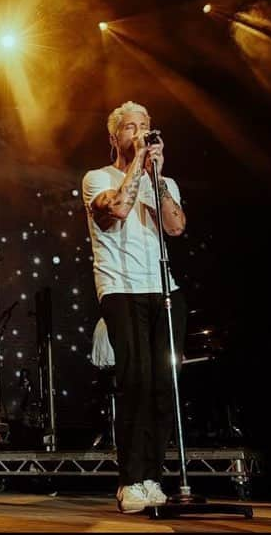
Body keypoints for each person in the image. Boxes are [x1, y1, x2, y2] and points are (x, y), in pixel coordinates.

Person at [81, 101, 188, 514]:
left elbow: (176, 227)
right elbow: (118, 211)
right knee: (136, 381)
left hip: (163, 288)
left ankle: (152, 477)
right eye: (130, 127)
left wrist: (156, 179)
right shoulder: (97, 178)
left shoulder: (164, 181)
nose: (139, 133)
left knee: (164, 384)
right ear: (114, 137)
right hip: (120, 288)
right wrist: (137, 162)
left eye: (145, 126)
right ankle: (130, 480)